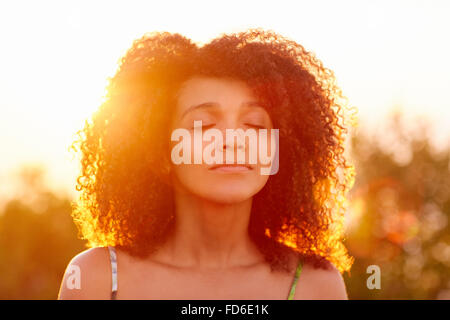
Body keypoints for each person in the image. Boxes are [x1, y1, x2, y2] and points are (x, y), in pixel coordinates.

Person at [58, 29, 355, 300]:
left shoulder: (316, 286)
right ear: (160, 154)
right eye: (203, 125)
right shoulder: (95, 279)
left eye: (253, 124)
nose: (233, 140)